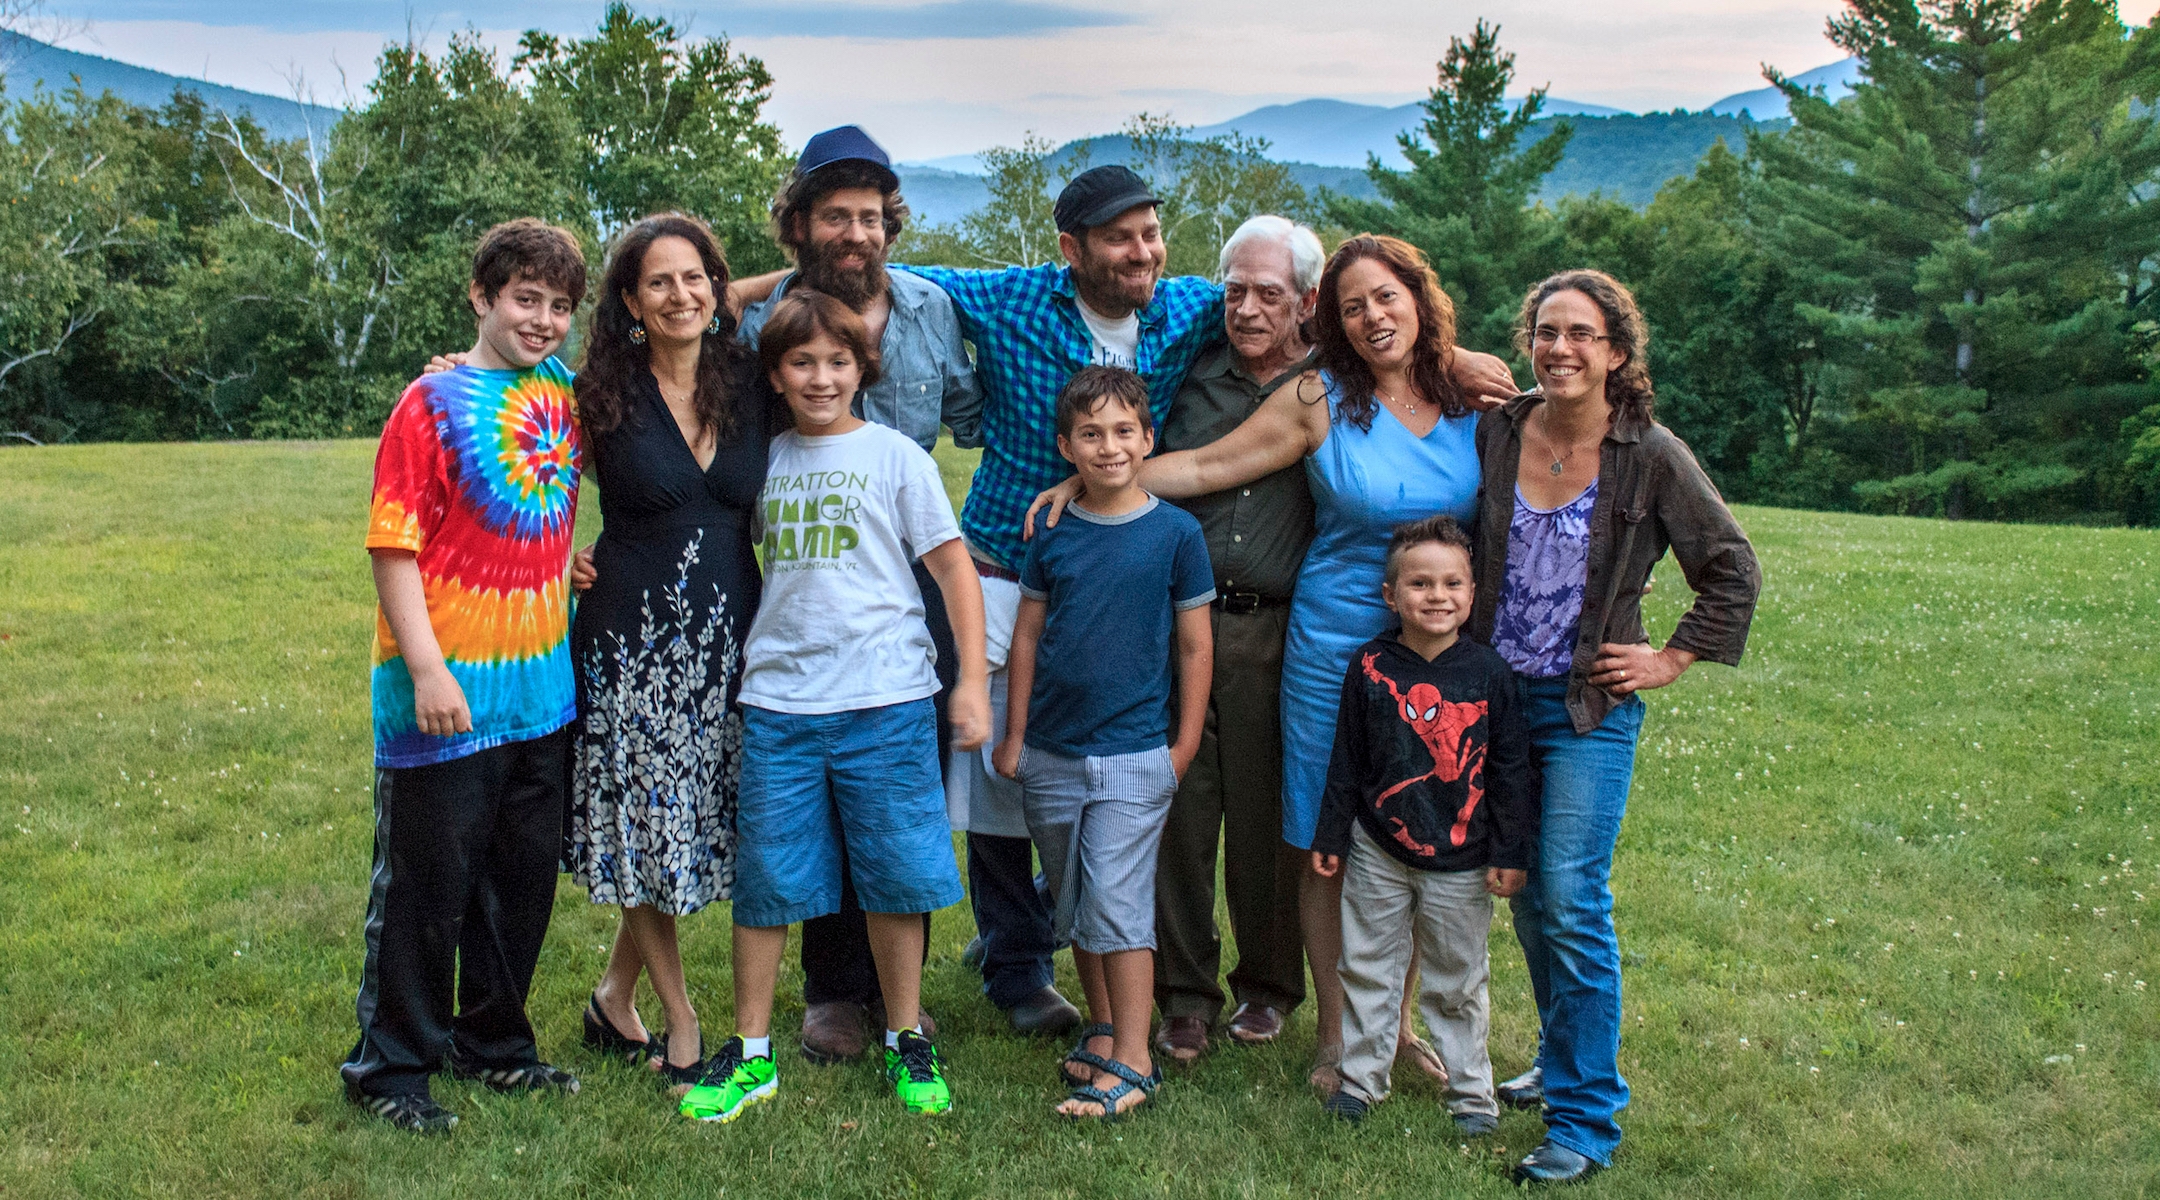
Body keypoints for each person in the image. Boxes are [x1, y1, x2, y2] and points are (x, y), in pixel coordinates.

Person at [1031, 234, 1497, 1093]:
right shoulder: (1320, 393)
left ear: (1419, 300)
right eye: (1355, 307)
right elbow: (1210, 462)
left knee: (1418, 826)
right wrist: (1103, 486)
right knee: (1322, 838)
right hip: (1332, 640)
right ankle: (1336, 1034)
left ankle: (1392, 1029)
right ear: (1334, 316)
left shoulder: (1473, 389)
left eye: (1386, 299)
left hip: (1433, 644)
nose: (1372, 318)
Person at [1472, 270, 1759, 1185]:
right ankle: (1560, 1066)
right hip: (1497, 707)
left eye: (1581, 334)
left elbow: (1732, 567)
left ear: (1616, 353)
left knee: (1571, 895)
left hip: (1586, 708)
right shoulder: (1497, 430)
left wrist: (1668, 659)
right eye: (1545, 332)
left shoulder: (1649, 455)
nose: (1559, 348)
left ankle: (1586, 1120)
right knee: (1526, 897)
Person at [680, 290, 990, 1124]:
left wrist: (968, 684)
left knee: (894, 876)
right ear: (774, 375)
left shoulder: (895, 458)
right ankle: (749, 1055)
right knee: (769, 879)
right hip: (780, 701)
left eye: (838, 362)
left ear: (863, 369)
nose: (821, 378)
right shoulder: (759, 461)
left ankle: (903, 1036)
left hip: (886, 699)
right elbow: (686, 520)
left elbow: (955, 571)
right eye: (801, 363)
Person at [735, 124, 982, 1065]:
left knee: (892, 797)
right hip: (806, 591)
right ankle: (832, 991)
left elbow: (978, 408)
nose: (854, 232)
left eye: (870, 217)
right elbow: (662, 345)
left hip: (908, 582)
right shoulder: (762, 329)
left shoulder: (931, 307)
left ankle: (899, 1002)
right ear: (799, 224)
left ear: (892, 226)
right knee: (811, 798)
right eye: (833, 215)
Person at [342, 218, 589, 1133]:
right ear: (481, 298)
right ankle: (391, 1069)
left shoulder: (560, 390)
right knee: (424, 892)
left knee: (518, 885)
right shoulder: (430, 404)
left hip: (541, 693)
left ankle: (496, 1049)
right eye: (526, 299)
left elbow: (689, 318)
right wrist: (428, 670)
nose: (544, 320)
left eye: (561, 305)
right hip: (443, 696)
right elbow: (392, 546)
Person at [563, 212, 782, 1095]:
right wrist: (556, 557)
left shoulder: (752, 381)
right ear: (630, 300)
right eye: (658, 282)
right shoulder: (596, 391)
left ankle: (614, 995)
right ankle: (682, 1016)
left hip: (731, 635)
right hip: (630, 639)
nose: (680, 295)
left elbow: (757, 299)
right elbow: (517, 459)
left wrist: (753, 285)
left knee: (686, 820)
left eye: (695, 278)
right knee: (645, 823)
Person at [991, 365, 1214, 1119]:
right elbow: (1026, 635)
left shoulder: (1176, 534)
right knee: (1078, 903)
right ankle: (1106, 1027)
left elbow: (1192, 648)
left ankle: (1137, 1060)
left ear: (1148, 440)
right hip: (1052, 749)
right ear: (1066, 446)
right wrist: (1015, 736)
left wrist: (1181, 746)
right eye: (1091, 433)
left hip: (1134, 751)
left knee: (1118, 904)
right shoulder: (1052, 531)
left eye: (1124, 431)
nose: (1109, 446)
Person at [1148, 215, 1322, 1063]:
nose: (1248, 309)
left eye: (1269, 294)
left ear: (1306, 302)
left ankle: (1268, 986)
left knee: (1267, 811)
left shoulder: (1335, 384)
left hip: (1276, 628)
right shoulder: (1187, 368)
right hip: (1179, 620)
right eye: (1236, 291)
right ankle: (1184, 994)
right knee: (1179, 808)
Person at [1308, 516, 1534, 1133]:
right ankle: (1360, 1081)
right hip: (1379, 848)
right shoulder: (1370, 665)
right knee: (1367, 965)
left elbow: (1511, 771)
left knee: (1456, 983)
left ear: (1471, 593)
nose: (1437, 596)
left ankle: (1471, 1096)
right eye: (1420, 584)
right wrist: (1331, 835)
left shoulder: (1489, 675)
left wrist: (1512, 850)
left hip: (1462, 860)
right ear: (1391, 596)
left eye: (1452, 583)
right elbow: (1347, 759)